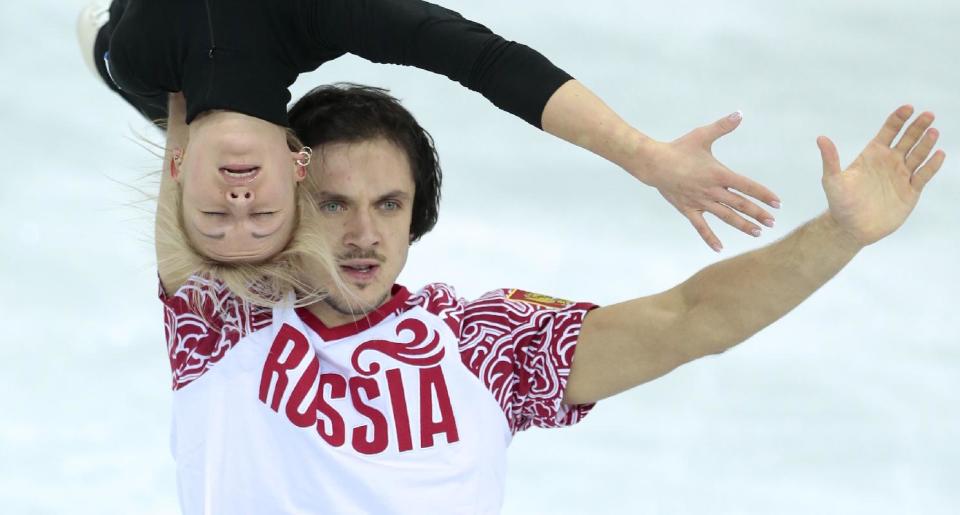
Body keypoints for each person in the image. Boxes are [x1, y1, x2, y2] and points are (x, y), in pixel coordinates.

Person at [156, 84, 943, 513]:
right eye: (334, 204)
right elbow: (200, 128)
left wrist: (839, 236)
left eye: (389, 204)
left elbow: (692, 318)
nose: (365, 233)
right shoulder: (222, 315)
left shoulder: (483, 343)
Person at [78, 0, 781, 284]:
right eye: (260, 215)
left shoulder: (131, 54)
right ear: (299, 169)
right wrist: (645, 155)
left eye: (216, 214)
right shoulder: (318, 13)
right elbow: (483, 58)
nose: (237, 199)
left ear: (179, 169)